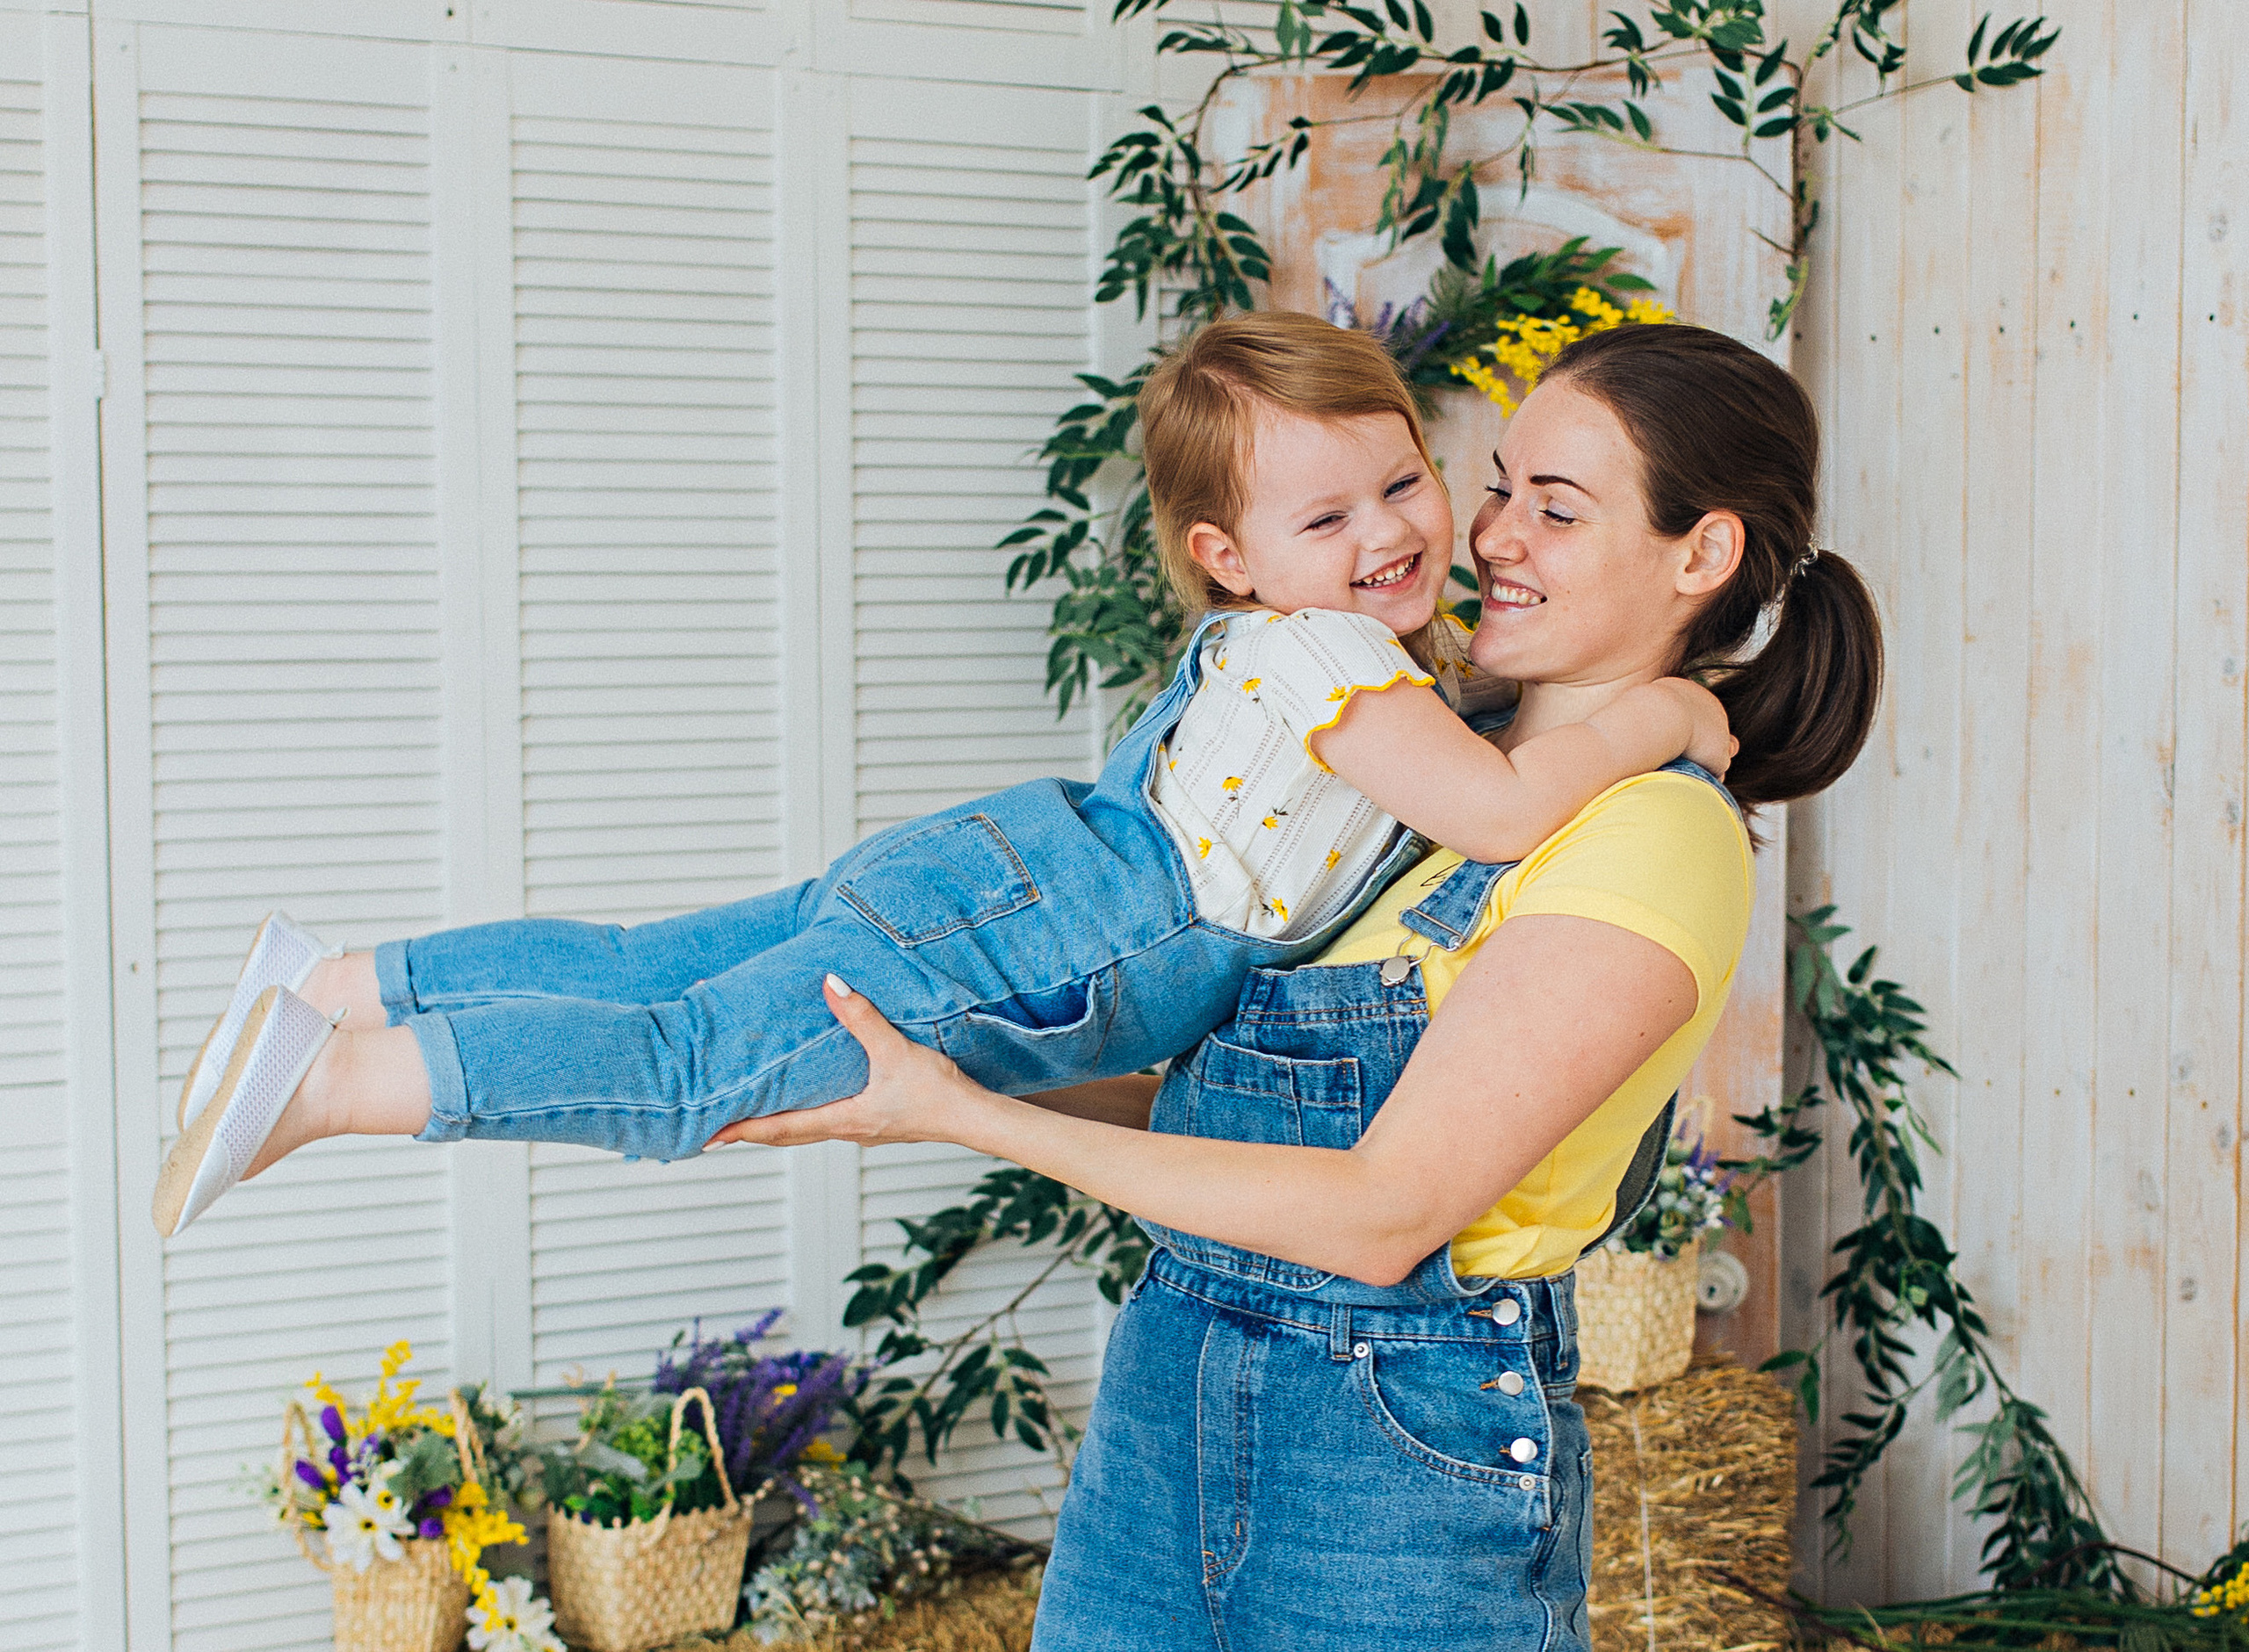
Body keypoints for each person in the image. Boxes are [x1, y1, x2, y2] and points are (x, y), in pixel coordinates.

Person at [706, 321, 1884, 1651]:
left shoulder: (1653, 837)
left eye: (1557, 509)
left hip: (1394, 1464)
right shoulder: (1428, 768)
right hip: (1172, 1392)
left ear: (1703, 552)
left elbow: (1384, 1212)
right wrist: (908, 1042)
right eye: (1496, 483)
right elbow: (1213, 1108)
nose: (1491, 537)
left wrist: (962, 1118)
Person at [153, 312, 1730, 1238]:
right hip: (1067, 918)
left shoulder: (1319, 652)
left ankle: (349, 982)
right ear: (1228, 559)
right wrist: (1671, 714)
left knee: (661, 968)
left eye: (1406, 481)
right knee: (700, 1059)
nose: (1394, 533)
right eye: (1329, 523)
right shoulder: (1332, 662)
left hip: (1014, 871)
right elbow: (1512, 807)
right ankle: (338, 1082)